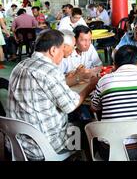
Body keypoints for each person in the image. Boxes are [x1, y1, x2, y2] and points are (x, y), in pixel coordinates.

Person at [6, 29, 98, 160]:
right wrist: (90, 86)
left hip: (17, 143)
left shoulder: (19, 66)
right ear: (53, 50)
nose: (63, 54)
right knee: (89, 127)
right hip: (43, 147)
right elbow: (71, 105)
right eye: (62, 50)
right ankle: (76, 157)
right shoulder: (49, 71)